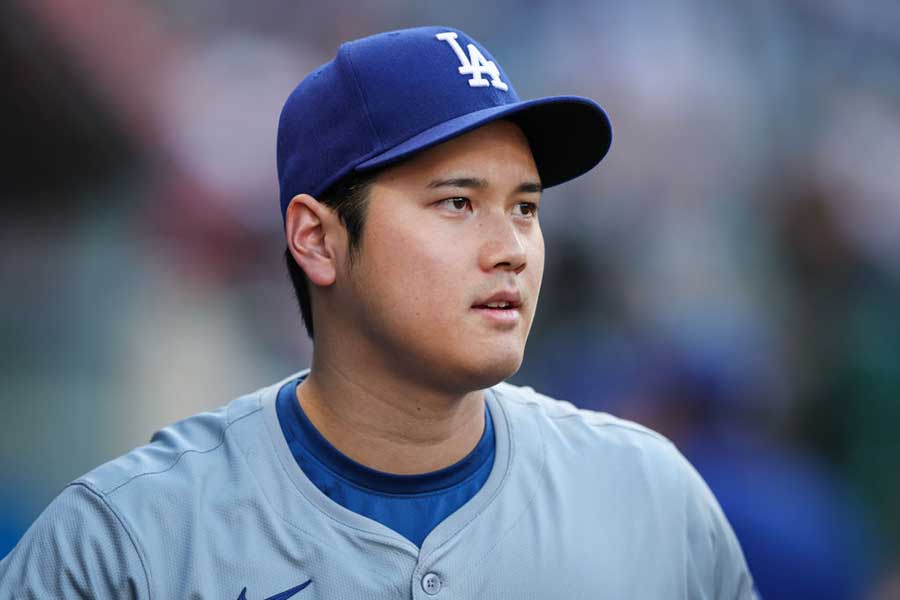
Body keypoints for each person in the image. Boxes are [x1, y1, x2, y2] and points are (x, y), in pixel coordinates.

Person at [0, 26, 756, 598]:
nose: (513, 249)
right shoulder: (124, 541)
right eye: (458, 202)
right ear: (317, 240)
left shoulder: (653, 498)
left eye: (525, 208)